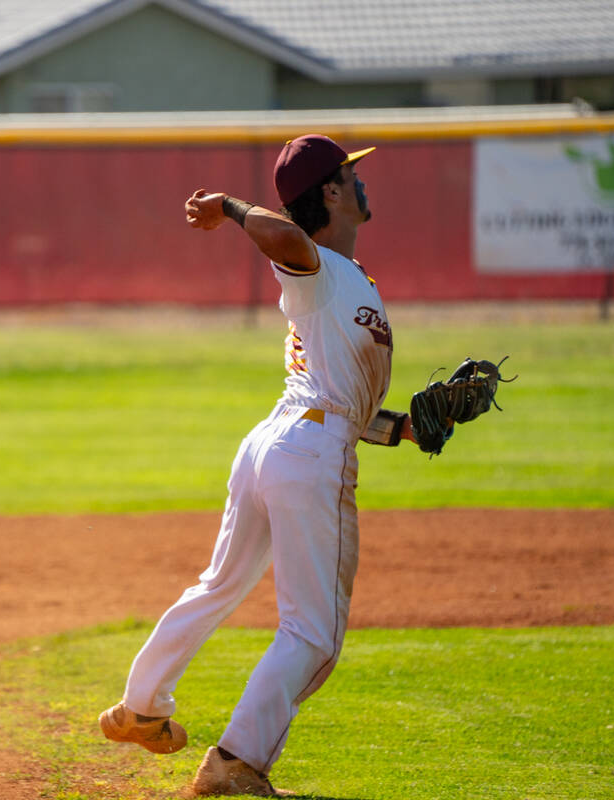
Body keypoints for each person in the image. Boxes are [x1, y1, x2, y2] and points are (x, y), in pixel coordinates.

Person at [99, 134, 414, 797]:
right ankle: (236, 764)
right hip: (305, 451)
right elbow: (287, 245)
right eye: (351, 174)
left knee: (220, 584)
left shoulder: (348, 279)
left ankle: (142, 706)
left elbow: (345, 403)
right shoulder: (315, 261)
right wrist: (234, 209)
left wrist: (411, 429)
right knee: (315, 635)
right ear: (330, 192)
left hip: (283, 439)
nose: (362, 182)